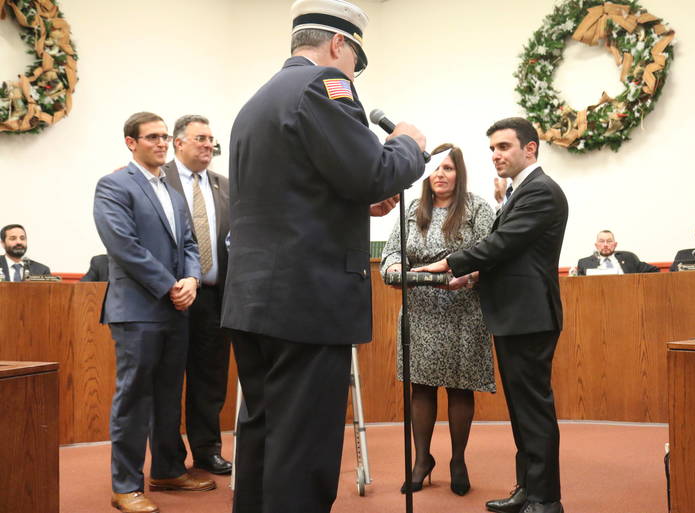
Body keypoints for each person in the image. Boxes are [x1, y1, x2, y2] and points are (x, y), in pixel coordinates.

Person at [220, 1, 426, 512]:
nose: (354, 71)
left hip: (255, 299)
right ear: (338, 44)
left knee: (265, 436)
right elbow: (372, 171)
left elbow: (296, 191)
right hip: (306, 303)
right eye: (356, 57)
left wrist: (357, 200)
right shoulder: (324, 86)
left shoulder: (257, 100)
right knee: (303, 447)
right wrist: (407, 146)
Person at [416, 117, 568, 513]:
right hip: (514, 315)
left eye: (504, 147)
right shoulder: (521, 191)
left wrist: (450, 263)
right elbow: (512, 254)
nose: (496, 156)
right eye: (492, 149)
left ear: (530, 149)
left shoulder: (541, 192)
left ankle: (546, 500)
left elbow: (501, 243)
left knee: (533, 412)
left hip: (529, 316)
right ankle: (528, 488)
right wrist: (472, 276)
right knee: (521, 412)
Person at [93, 111, 213, 513]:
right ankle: (125, 485)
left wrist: (192, 280)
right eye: (152, 138)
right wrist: (170, 285)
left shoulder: (174, 194)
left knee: (167, 396)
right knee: (133, 399)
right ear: (131, 143)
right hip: (138, 310)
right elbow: (124, 247)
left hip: (176, 308)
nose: (162, 143)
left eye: (164, 137)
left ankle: (167, 469)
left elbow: (191, 246)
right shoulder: (113, 186)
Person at [381, 143, 495, 496]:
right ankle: (421, 459)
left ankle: (458, 459)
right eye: (435, 169)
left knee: (460, 388)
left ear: (459, 173)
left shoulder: (477, 207)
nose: (440, 175)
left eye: (448, 168)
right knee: (422, 387)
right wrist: (395, 265)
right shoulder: (414, 208)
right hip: (422, 311)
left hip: (463, 308)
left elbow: (491, 254)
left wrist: (470, 276)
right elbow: (391, 252)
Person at [163, 115, 232, 475]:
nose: (208, 145)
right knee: (169, 379)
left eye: (211, 139)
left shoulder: (225, 186)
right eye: (200, 138)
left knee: (210, 378)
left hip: (216, 297)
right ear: (178, 143)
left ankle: (207, 451)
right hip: (171, 297)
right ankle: (170, 457)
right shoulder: (159, 180)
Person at [576, 230, 659, 275]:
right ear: (596, 245)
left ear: (615, 245)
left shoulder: (629, 258)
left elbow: (654, 270)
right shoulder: (584, 263)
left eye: (609, 241)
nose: (605, 245)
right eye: (601, 241)